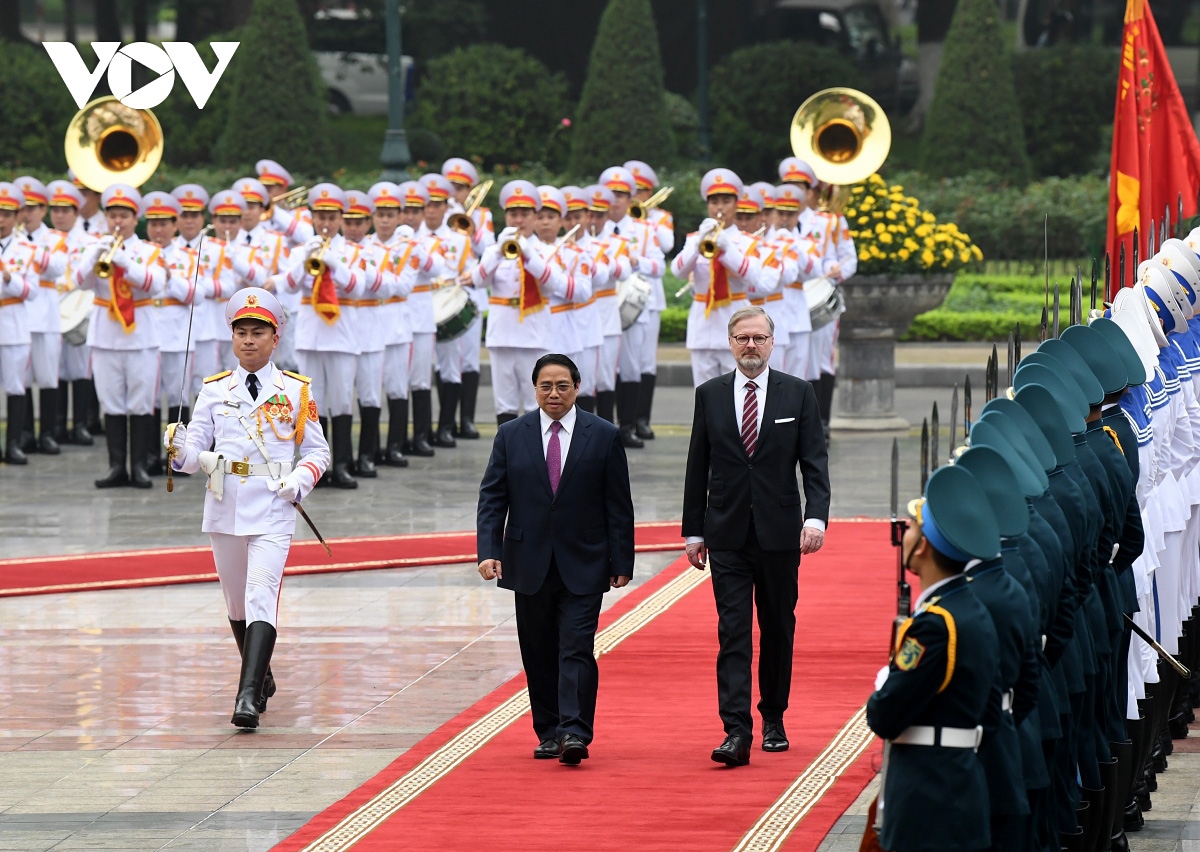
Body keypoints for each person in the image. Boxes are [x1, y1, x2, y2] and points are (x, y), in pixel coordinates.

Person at [166, 287, 330, 729]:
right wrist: (177, 449)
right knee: (236, 602)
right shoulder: (213, 391)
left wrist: (298, 481)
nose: (249, 340)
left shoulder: (294, 391)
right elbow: (188, 459)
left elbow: (319, 452)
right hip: (225, 501)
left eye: (259, 332)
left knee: (261, 594)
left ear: (275, 339)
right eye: (242, 332)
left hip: (274, 504)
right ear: (232, 338)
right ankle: (261, 675)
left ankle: (246, 698)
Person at [681, 305, 831, 765]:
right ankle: (735, 730)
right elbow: (697, 465)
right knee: (733, 633)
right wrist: (693, 531)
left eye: (758, 338)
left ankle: (774, 716)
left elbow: (814, 463)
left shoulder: (798, 393)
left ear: (772, 343)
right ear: (729, 343)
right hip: (726, 532)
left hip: (781, 532)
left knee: (778, 628)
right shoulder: (709, 394)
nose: (750, 345)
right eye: (742, 338)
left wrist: (816, 518)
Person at [476, 353, 635, 764]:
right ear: (534, 389)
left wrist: (622, 561)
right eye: (545, 386)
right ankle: (548, 730)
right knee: (538, 650)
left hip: (585, 560)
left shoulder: (602, 435)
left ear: (577, 388)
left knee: (576, 647)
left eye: (562, 385)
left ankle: (575, 731)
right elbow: (493, 498)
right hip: (527, 561)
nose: (554, 393)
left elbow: (619, 504)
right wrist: (489, 551)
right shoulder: (512, 434)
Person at [865, 465, 1001, 852]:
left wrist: (883, 687)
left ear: (922, 546)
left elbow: (884, 715)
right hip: (962, 786)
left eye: (910, 527)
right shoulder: (973, 609)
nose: (904, 534)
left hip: (927, 797)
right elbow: (990, 715)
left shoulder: (934, 627)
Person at [74, 184, 166, 488]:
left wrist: (126, 263)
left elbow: (156, 286)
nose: (118, 221)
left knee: (140, 402)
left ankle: (139, 466)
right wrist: (95, 255)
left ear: (134, 218)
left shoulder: (150, 251)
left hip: (141, 335)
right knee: (111, 402)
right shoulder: (94, 245)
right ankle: (116, 467)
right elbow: (79, 281)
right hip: (105, 335)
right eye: (112, 215)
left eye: (123, 216)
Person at [280, 182, 362, 488]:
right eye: (320, 216)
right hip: (311, 335)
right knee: (311, 405)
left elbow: (358, 285)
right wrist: (306, 263)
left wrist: (333, 263)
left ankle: (342, 464)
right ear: (312, 217)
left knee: (341, 401)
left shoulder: (352, 251)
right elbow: (288, 285)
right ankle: (317, 467)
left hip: (341, 334)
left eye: (331, 216)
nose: (325, 222)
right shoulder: (301, 250)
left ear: (341, 217)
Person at [470, 180, 570, 424]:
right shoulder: (496, 249)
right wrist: (496, 252)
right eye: (513, 214)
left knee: (535, 401)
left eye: (525, 214)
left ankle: (535, 458)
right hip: (502, 334)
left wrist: (528, 254)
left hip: (533, 336)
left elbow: (553, 283)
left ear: (535, 217)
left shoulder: (544, 251)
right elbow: (478, 280)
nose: (519, 220)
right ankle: (507, 457)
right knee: (504, 404)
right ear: (506, 216)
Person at [672, 169, 765, 387]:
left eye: (726, 201)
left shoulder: (746, 241)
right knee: (705, 395)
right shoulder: (695, 238)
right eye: (714, 202)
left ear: (736, 204)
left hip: (736, 323)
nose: (719, 207)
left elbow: (754, 277)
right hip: (703, 327)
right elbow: (678, 271)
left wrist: (727, 249)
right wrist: (696, 245)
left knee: (738, 391)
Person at [14, 176, 68, 455]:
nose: (27, 214)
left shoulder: (55, 238)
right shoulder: (11, 239)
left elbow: (57, 267)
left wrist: (27, 247)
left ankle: (47, 433)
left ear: (43, 210)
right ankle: (23, 433)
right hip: (20, 317)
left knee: (48, 377)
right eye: (22, 208)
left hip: (46, 316)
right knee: (20, 379)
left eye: (33, 208)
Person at [625, 160, 673, 439]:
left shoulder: (660, 218)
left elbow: (666, 245)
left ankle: (642, 419)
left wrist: (647, 216)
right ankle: (626, 420)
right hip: (622, 295)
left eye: (641, 190)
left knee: (646, 361)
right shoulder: (617, 218)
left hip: (650, 299)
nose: (636, 196)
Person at [0, 182, 39, 464]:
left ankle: (12, 444)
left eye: (7, 214)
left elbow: (31, 291)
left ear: (16, 217)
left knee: (15, 386)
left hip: (13, 326)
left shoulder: (26, 250)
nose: (1, 220)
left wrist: (9, 278)